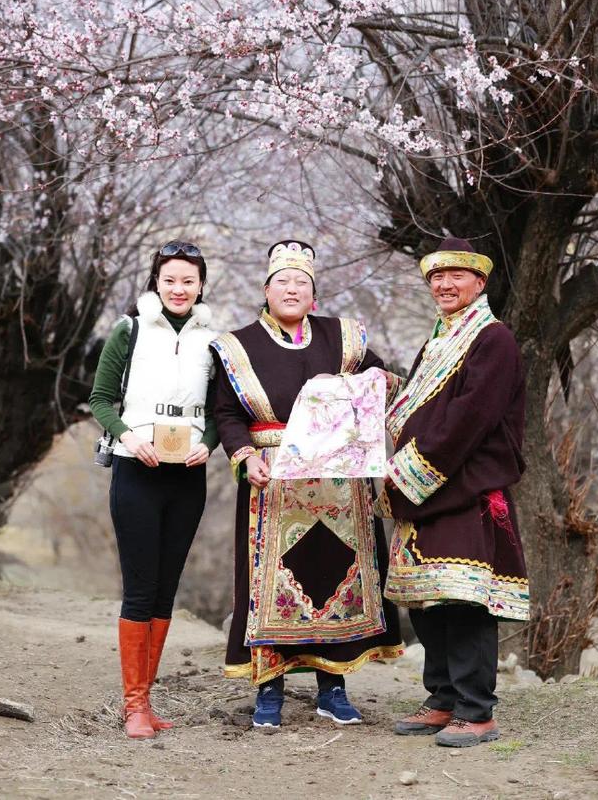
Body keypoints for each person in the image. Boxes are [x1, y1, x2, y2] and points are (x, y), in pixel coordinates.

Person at [211, 240, 403, 729]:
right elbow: (228, 415)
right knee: (269, 586)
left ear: (313, 293)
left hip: (339, 484)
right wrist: (244, 455)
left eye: (302, 283)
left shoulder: (344, 338)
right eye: (283, 282)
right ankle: (269, 690)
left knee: (332, 575)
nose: (292, 289)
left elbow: (380, 384)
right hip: (272, 481)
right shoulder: (239, 345)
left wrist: (379, 380)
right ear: (266, 290)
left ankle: (332, 688)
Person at [377, 236, 529, 748]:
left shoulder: (493, 339)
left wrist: (410, 472)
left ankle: (476, 710)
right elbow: (425, 404)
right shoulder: (438, 340)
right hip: (429, 489)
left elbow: (469, 418)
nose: (445, 284)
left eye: (457, 276)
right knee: (428, 600)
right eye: (437, 278)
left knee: (463, 600)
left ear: (479, 283)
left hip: (462, 483)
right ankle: (442, 699)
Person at [89, 240, 218, 739]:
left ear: (201, 284)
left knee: (167, 587)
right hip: (136, 469)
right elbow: (101, 399)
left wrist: (209, 444)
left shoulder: (214, 338)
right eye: (170, 280)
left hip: (188, 474)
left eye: (188, 280)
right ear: (156, 282)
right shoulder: (130, 329)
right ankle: (134, 705)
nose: (179, 289)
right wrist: (128, 436)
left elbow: (217, 411)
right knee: (141, 587)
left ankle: (149, 698)